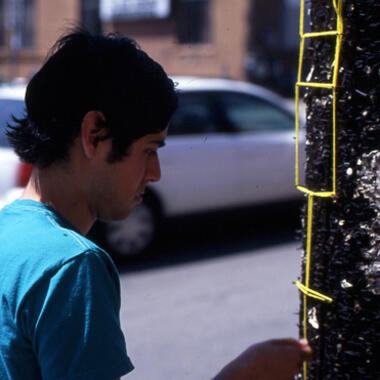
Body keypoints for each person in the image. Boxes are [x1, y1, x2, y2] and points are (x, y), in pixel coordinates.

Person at [0, 29, 312, 380]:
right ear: (94, 134)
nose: (155, 173)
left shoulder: (7, 230)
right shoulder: (71, 267)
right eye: (149, 150)